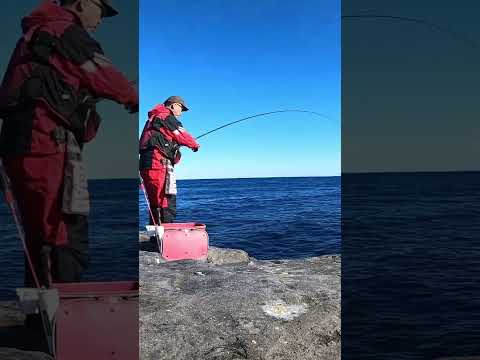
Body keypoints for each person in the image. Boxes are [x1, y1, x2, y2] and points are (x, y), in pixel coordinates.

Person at [0, 0, 138, 287]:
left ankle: (41, 322)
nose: (101, 20)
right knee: (64, 232)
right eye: (101, 10)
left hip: (19, 146)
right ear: (82, 2)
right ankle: (65, 320)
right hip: (48, 144)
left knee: (41, 234)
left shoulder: (34, 36)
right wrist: (133, 97)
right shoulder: (66, 32)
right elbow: (105, 75)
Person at [139, 96, 200, 225]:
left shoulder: (152, 119)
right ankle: (166, 238)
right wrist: (194, 144)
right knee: (166, 201)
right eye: (181, 108)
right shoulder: (166, 116)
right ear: (173, 105)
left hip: (146, 164)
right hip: (158, 164)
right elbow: (181, 134)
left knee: (155, 202)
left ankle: (156, 238)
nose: (181, 112)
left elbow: (161, 139)